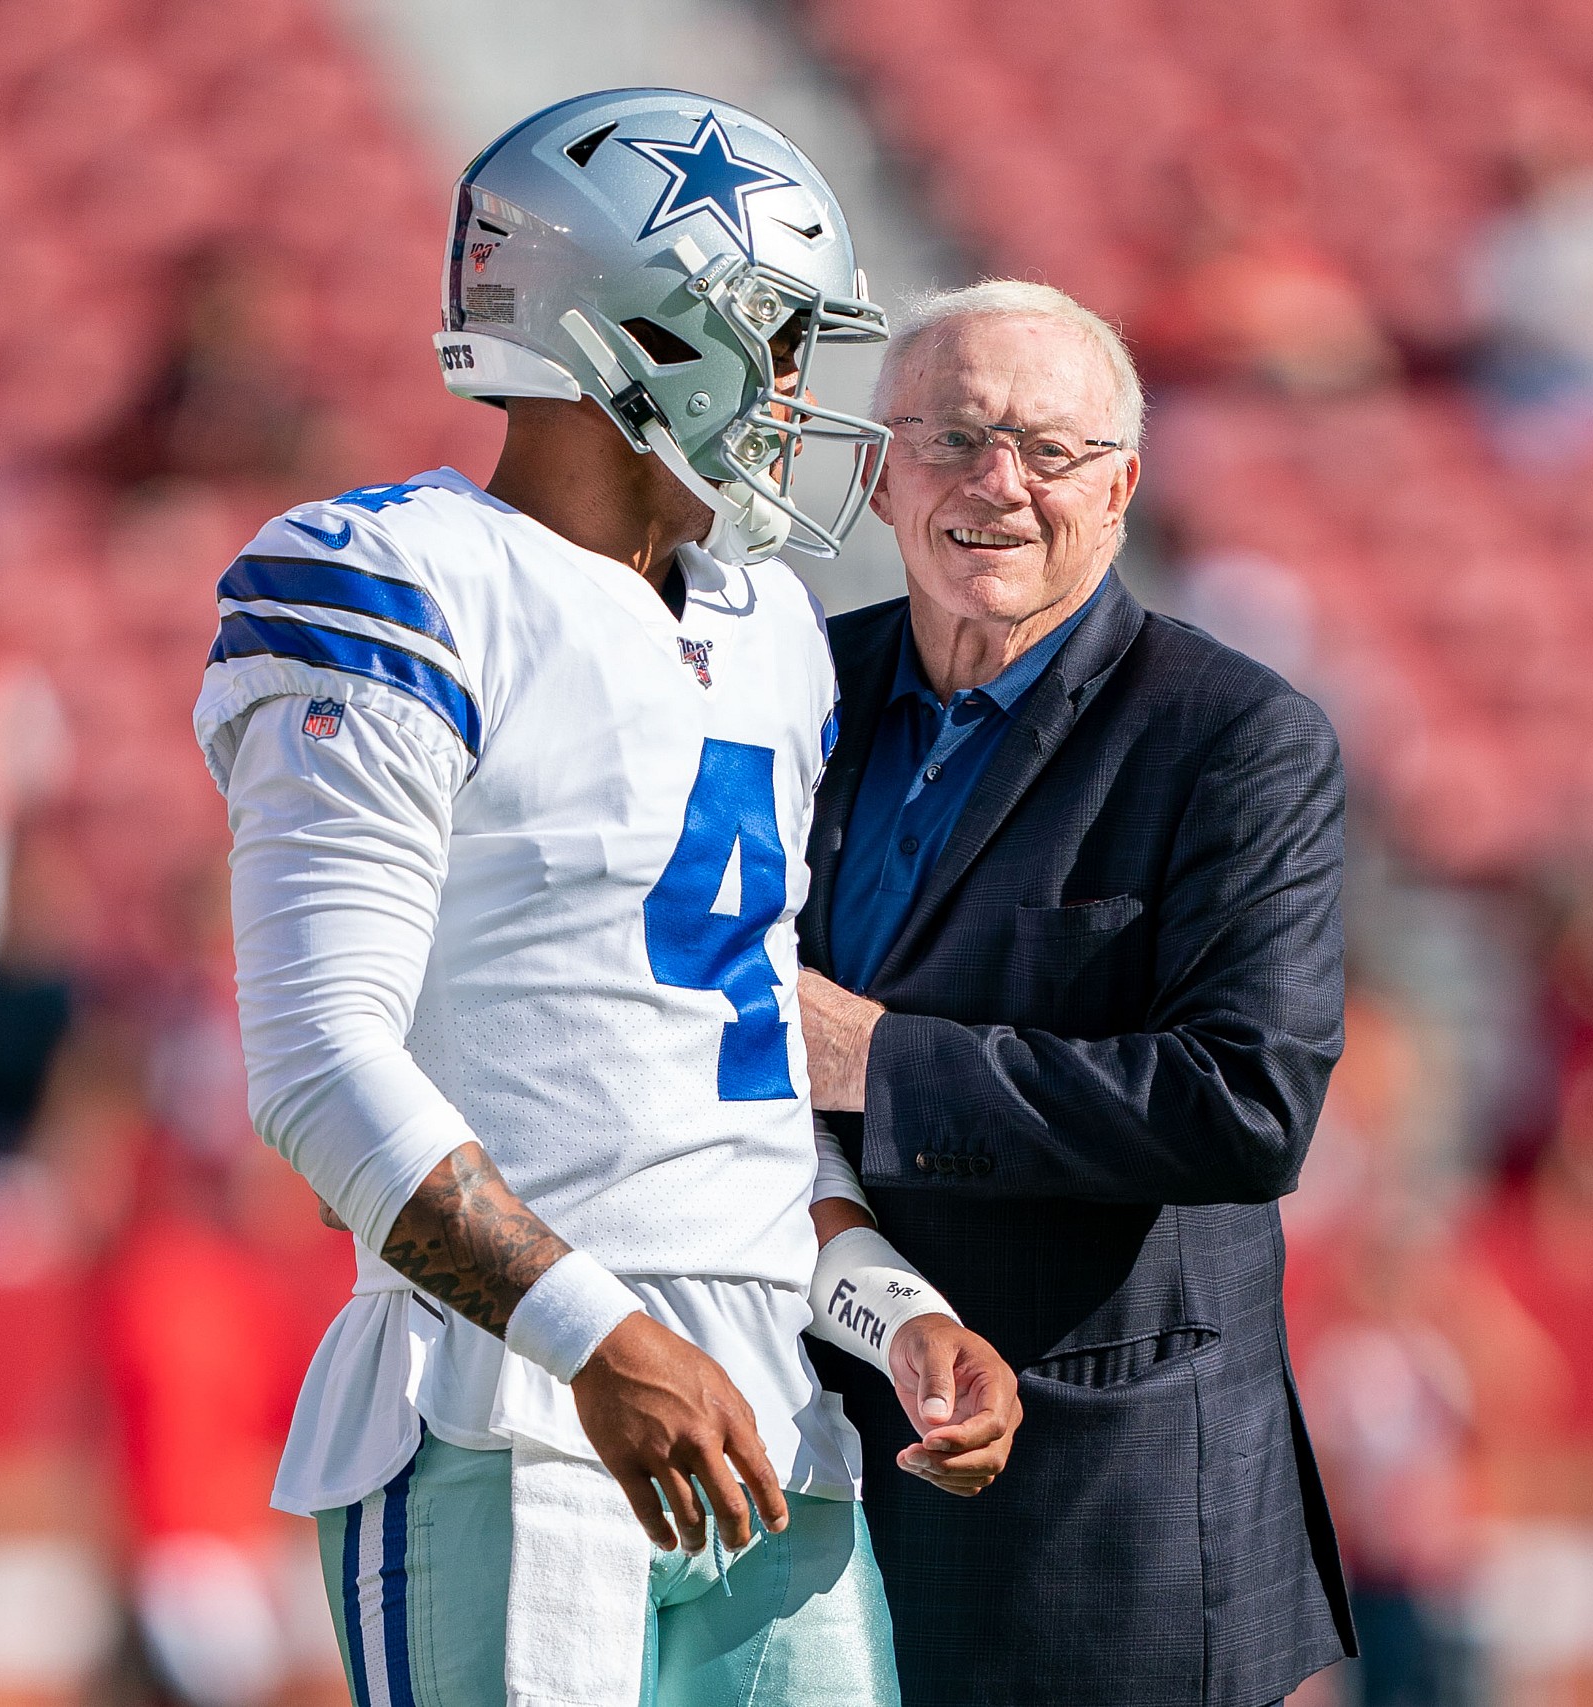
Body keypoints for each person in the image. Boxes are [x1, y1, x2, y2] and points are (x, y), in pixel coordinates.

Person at [191, 91, 1018, 1707]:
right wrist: (598, 1340)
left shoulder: (771, 626)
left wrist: (891, 1310)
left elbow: (727, 1073)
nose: (796, 398)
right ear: (637, 329)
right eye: (774, 342)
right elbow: (314, 1063)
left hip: (770, 1410)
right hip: (507, 1395)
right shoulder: (404, 578)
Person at [796, 280, 1357, 1706]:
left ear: (1120, 490)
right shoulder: (784, 691)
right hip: (798, 1464)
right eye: (956, 438)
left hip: (1098, 1518)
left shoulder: (1236, 741)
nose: (1001, 484)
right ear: (877, 473)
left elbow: (1248, 1107)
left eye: (1050, 451)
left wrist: (884, 1062)